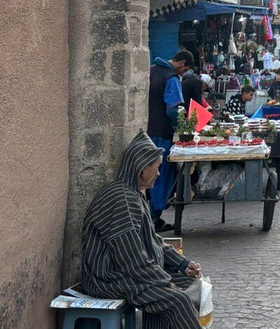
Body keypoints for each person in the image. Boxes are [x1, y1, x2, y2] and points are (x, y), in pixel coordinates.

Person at [81, 131, 202, 329]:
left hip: (125, 272)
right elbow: (131, 260)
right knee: (177, 300)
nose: (160, 173)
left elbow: (153, 240)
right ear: (142, 170)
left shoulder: (133, 194)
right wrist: (164, 282)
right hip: (108, 278)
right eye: (157, 168)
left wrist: (182, 264)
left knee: (190, 284)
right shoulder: (121, 199)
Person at [146, 49, 191, 230]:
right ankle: (154, 218)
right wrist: (183, 127)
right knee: (161, 175)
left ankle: (148, 217)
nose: (184, 73)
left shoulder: (151, 70)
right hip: (163, 134)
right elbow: (174, 110)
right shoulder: (171, 78)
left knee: (146, 175)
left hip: (147, 132)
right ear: (180, 63)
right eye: (185, 69)